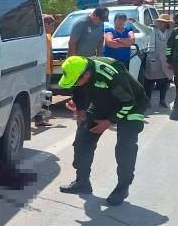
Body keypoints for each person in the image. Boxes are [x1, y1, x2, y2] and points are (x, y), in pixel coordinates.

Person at [57, 55, 148, 206]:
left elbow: (128, 101)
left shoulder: (110, 74)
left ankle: (122, 187)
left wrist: (109, 122)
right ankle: (82, 182)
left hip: (132, 104)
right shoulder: (79, 72)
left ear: (87, 74)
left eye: (77, 81)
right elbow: (78, 92)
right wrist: (80, 110)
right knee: (83, 140)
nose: (75, 84)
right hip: (103, 102)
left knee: (125, 147)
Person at [143, 14, 174, 108]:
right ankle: (147, 101)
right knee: (149, 81)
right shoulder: (152, 30)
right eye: (159, 21)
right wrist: (134, 21)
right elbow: (142, 28)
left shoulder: (170, 32)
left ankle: (162, 100)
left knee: (164, 81)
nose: (160, 23)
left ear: (166, 24)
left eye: (162, 22)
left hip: (165, 59)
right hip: (153, 59)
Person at [36, 14, 56, 127]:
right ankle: (38, 119)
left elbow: (50, 53)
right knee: (40, 95)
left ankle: (42, 117)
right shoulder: (39, 36)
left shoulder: (49, 35)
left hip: (48, 70)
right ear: (45, 24)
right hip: (41, 71)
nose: (52, 28)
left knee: (45, 95)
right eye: (51, 25)